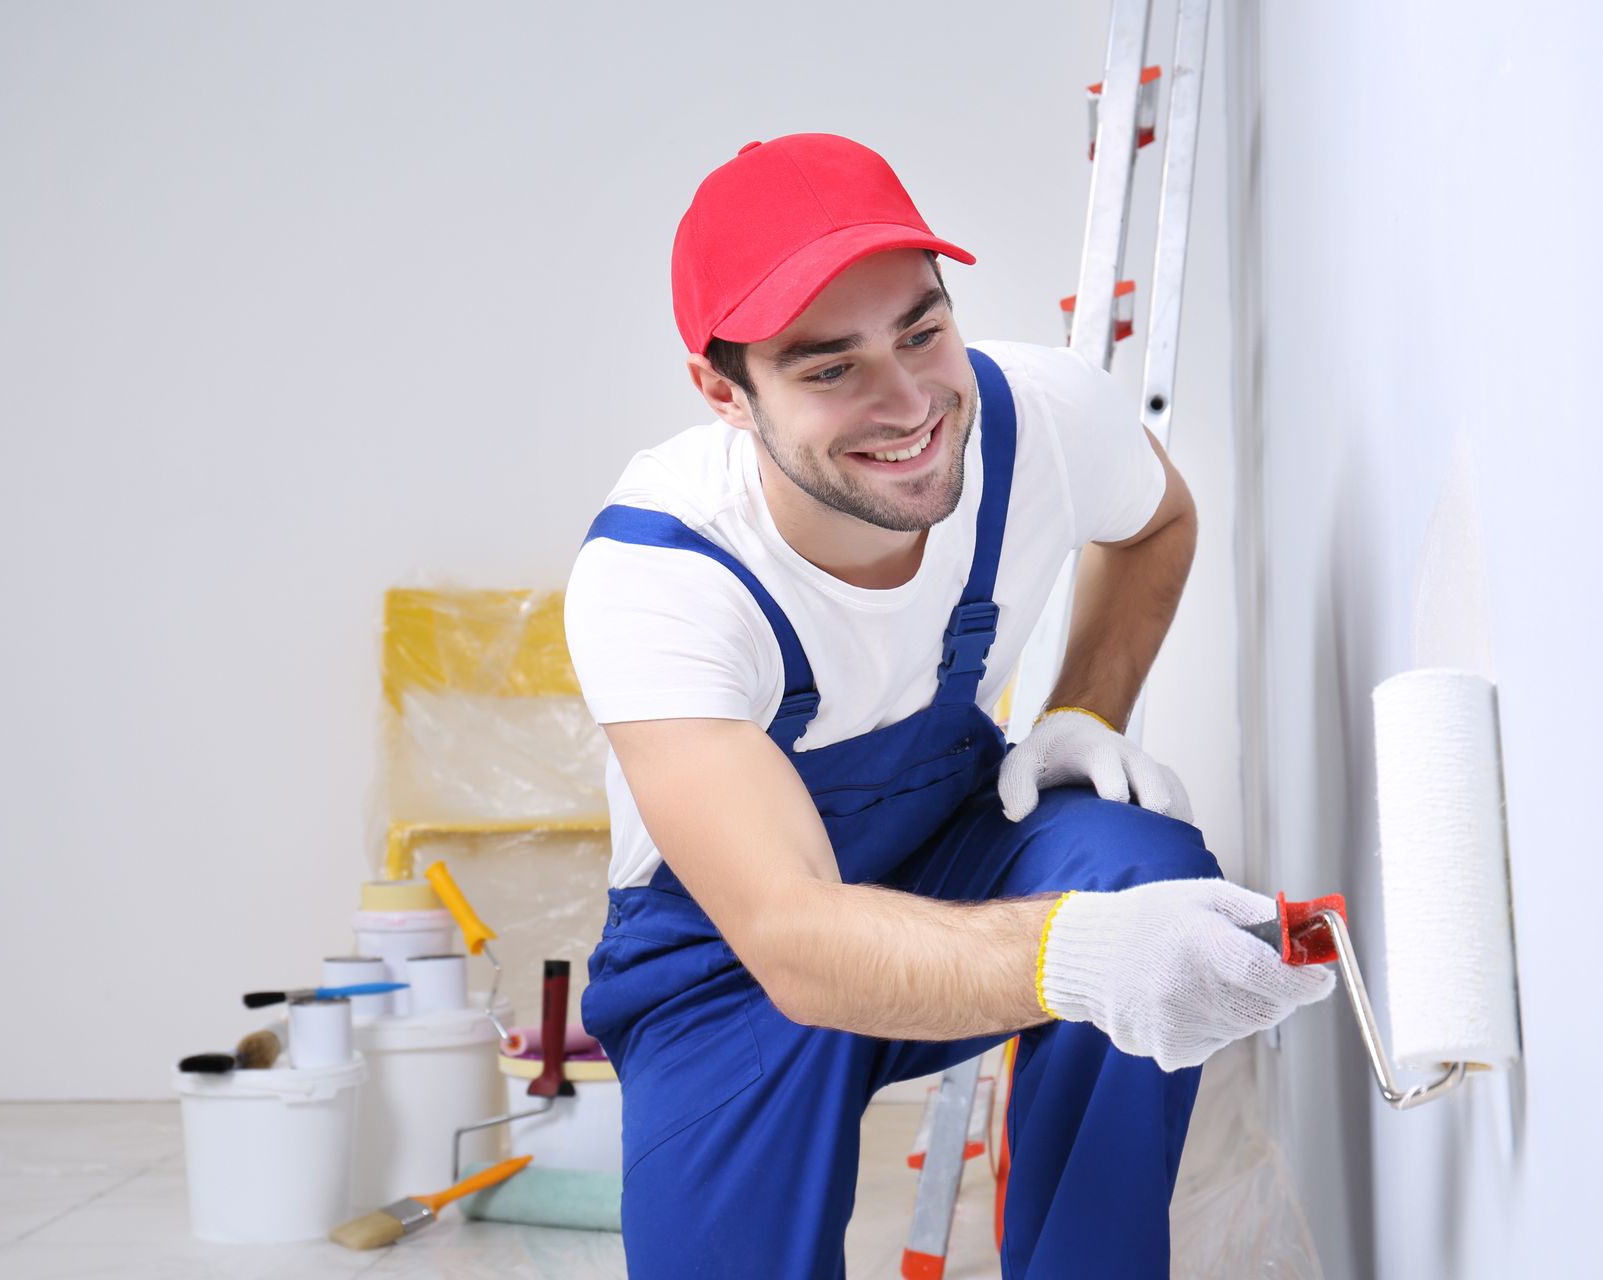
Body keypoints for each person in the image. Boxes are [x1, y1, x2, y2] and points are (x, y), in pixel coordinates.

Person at [562, 132, 1332, 1279]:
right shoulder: (665, 576)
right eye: (830, 368)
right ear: (725, 390)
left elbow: (1159, 516)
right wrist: (1082, 954)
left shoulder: (1040, 419)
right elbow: (795, 938)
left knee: (1139, 866)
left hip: (951, 850)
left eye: (922, 329)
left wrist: (1087, 709)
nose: (910, 399)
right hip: (733, 956)